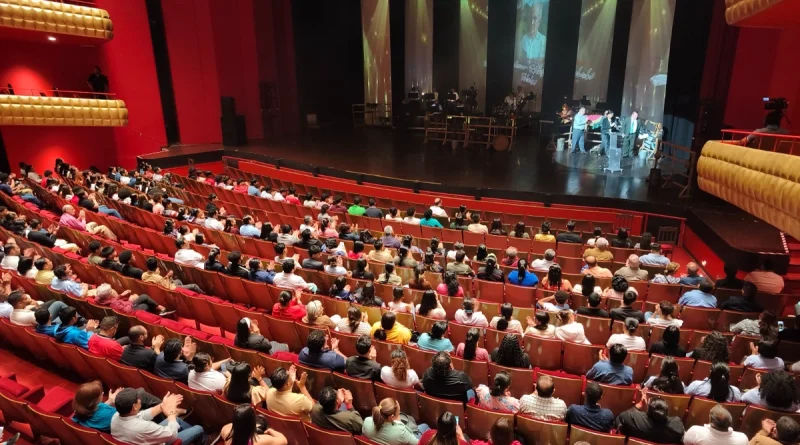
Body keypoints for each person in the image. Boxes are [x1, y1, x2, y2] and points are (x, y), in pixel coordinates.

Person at [110, 387, 207, 445]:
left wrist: (162, 406)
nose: (140, 398)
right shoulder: (144, 427)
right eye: (138, 398)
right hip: (162, 441)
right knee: (199, 428)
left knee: (176, 420)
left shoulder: (116, 416)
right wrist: (171, 413)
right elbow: (172, 435)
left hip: (140, 439)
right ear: (134, 407)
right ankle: (205, 441)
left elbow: (141, 415)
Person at [72, 381, 162, 434]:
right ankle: (167, 409)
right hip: (129, 420)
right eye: (101, 393)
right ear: (93, 401)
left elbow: (101, 408)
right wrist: (117, 401)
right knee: (142, 394)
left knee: (139, 392)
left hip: (121, 417)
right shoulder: (109, 416)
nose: (103, 394)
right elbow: (126, 415)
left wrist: (111, 400)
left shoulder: (82, 409)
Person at [615, 395, 685, 444]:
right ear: (667, 412)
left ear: (648, 409)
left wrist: (639, 405)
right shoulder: (677, 426)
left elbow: (622, 416)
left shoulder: (634, 418)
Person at [220, 404, 288, 445]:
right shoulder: (259, 441)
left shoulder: (226, 431)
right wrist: (270, 430)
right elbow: (284, 440)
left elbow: (232, 426)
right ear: (253, 424)